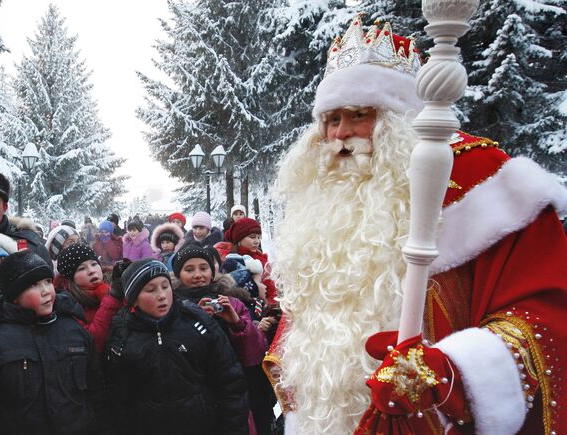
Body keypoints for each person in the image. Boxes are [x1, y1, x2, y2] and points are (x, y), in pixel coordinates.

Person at [269, 17, 567, 434]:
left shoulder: (482, 180)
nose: (340, 135)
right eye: (331, 119)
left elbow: (544, 315)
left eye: (358, 114)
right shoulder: (325, 200)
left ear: (397, 118)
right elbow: (308, 312)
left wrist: (446, 375)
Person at [0, 250, 104, 435]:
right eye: (34, 285)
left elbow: (95, 390)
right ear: (14, 295)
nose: (46, 291)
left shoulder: (73, 330)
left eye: (48, 282)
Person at [105, 258, 249, 435]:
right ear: (133, 300)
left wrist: (232, 429)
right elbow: (117, 399)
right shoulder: (122, 335)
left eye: (165, 286)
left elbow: (230, 382)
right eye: (150, 290)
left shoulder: (197, 323)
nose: (162, 295)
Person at [172, 243, 271, 434]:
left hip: (231, 390)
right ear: (178, 275)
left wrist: (236, 322)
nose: (198, 275)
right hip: (190, 394)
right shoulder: (172, 306)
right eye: (189, 269)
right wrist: (197, 319)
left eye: (203, 268)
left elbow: (255, 352)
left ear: (212, 271)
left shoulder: (231, 301)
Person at [57, 243, 124, 355]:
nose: (91, 271)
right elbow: (92, 343)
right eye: (82, 268)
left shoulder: (115, 286)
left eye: (94, 264)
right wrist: (112, 300)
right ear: (71, 278)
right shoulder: (68, 305)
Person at [223, 218, 278, 306]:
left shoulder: (261, 257)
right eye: (252, 237)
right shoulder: (233, 261)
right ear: (239, 239)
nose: (256, 241)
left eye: (258, 237)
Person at [46, 224, 82, 288]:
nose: (76, 245)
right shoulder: (48, 271)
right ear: (57, 246)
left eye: (78, 241)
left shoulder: (83, 263)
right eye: (71, 242)